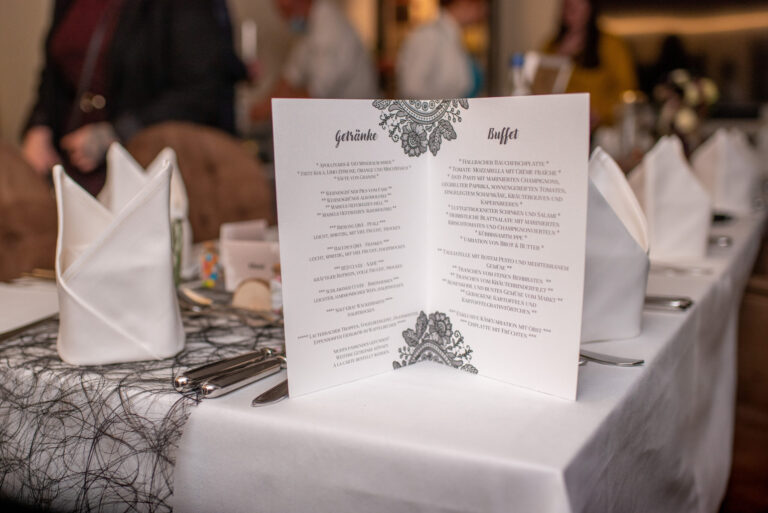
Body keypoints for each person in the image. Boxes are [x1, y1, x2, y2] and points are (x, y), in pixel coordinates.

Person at [21, 0, 243, 195]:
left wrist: (117, 133)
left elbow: (204, 90)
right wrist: (39, 126)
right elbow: (52, 73)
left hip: (150, 168)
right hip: (70, 165)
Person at [250, 0, 377, 121]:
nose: (285, 19)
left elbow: (317, 94)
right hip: (337, 117)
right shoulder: (308, 28)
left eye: (287, 10)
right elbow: (290, 76)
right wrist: (262, 106)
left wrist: (272, 109)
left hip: (358, 120)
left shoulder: (329, 30)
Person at [545, 0, 637, 128]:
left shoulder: (611, 45)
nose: (572, 8)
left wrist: (601, 113)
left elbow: (627, 91)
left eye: (579, 3)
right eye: (568, 4)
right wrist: (560, 57)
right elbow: (539, 92)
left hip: (603, 129)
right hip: (560, 125)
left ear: (591, 7)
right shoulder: (550, 47)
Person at [396, 0, 487, 100]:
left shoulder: (452, 36)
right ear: (463, 3)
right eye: (479, 6)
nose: (483, 12)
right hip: (435, 114)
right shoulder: (428, 36)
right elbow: (411, 90)